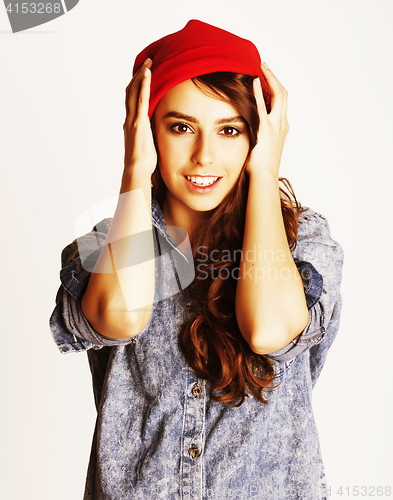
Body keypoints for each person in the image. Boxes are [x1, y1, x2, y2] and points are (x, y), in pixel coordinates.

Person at [50, 20, 343, 500]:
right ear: (146, 130)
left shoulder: (303, 242)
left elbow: (268, 330)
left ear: (257, 136)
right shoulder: (106, 245)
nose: (205, 155)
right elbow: (120, 317)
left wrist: (265, 172)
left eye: (230, 130)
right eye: (181, 127)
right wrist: (133, 170)